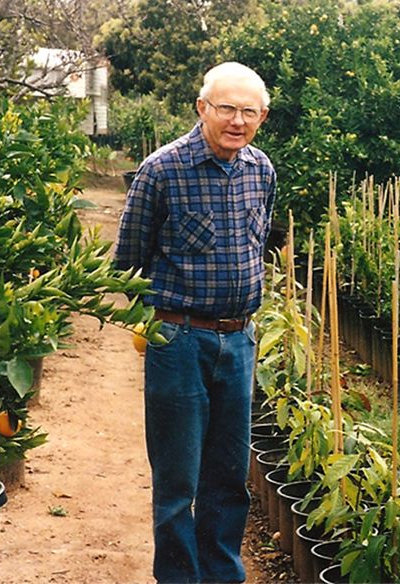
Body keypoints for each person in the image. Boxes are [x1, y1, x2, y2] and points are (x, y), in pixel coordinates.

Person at [115, 62, 275, 583]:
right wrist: (157, 326)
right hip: (179, 340)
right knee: (178, 479)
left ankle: (223, 575)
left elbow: (259, 242)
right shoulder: (161, 171)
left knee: (229, 477)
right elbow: (129, 263)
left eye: (248, 111)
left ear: (263, 116)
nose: (237, 120)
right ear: (202, 107)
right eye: (226, 107)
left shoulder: (261, 171)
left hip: (239, 340)